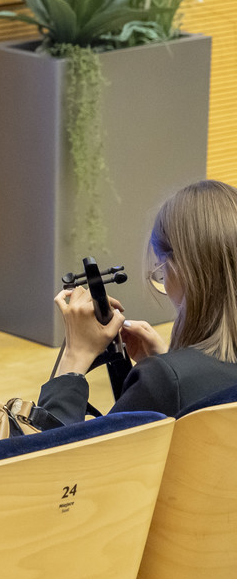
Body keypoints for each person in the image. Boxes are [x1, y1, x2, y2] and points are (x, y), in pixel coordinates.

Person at [39, 178, 237, 424]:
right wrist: (168, 360)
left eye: (162, 271)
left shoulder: (165, 381)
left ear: (180, 270)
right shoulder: (169, 378)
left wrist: (74, 358)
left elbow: (54, 447)